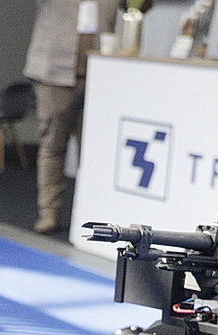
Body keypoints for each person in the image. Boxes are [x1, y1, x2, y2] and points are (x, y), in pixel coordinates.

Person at [24, 0, 151, 235]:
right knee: (53, 146)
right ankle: (49, 211)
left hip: (101, 70)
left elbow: (137, 7)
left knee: (96, 153)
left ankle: (91, 214)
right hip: (53, 68)